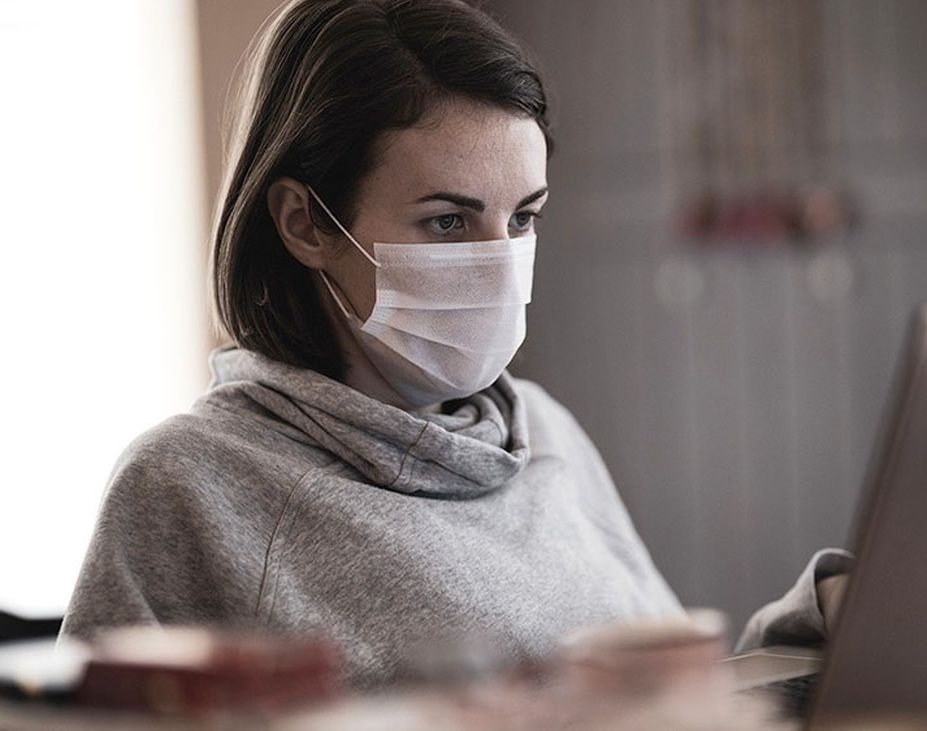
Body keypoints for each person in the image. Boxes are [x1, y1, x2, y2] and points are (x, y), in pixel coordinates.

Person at [61, 0, 850, 688]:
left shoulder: (544, 431)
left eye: (524, 218)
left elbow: (670, 702)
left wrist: (818, 622)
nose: (499, 262)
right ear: (305, 223)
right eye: (447, 222)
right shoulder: (191, 486)